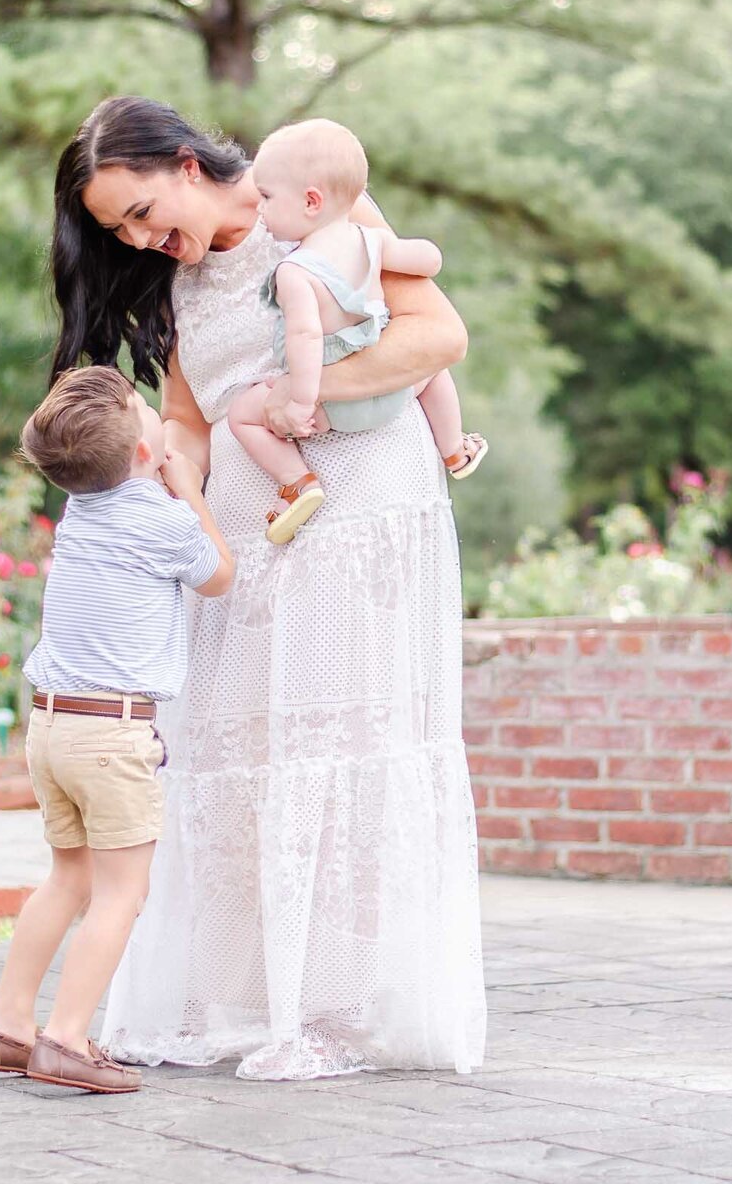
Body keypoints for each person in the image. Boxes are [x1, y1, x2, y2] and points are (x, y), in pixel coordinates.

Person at [52, 94, 487, 1081]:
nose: (139, 236)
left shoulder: (318, 215)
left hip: (362, 514)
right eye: (119, 228)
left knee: (343, 742)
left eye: (140, 208)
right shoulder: (171, 286)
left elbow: (436, 338)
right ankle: (256, 1001)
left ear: (183, 160)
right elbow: (191, 415)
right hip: (248, 539)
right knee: (243, 750)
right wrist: (183, 504)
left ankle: (338, 1010)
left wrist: (293, 396)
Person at [0, 365, 233, 1094]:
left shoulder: (81, 509)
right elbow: (219, 574)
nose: (152, 414)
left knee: (67, 877)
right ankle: (65, 1037)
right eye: (146, 410)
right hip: (113, 737)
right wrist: (194, 495)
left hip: (51, 724)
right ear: (146, 456)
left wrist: (159, 478)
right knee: (121, 893)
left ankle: (6, 1019)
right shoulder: (162, 517)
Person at [227, 118, 487, 543]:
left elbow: (306, 339)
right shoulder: (369, 241)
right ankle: (455, 448)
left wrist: (300, 401)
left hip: (334, 410)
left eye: (267, 197)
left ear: (311, 201)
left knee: (243, 415)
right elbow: (428, 261)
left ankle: (299, 483)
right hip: (394, 393)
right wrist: (425, 252)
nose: (260, 210)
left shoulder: (295, 271)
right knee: (433, 371)